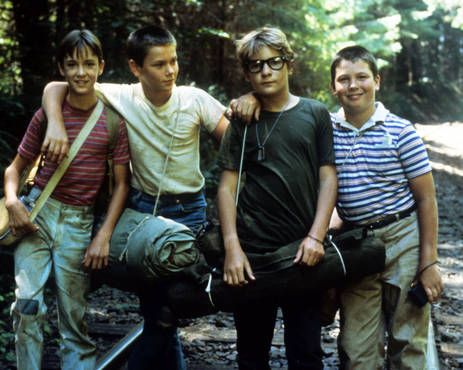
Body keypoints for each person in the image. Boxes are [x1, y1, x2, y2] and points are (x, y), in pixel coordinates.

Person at [41, 26, 228, 370]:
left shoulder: (194, 99)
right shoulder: (123, 97)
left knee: (171, 308)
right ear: (135, 67)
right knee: (157, 310)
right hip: (143, 213)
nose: (171, 71)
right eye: (159, 64)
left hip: (190, 213)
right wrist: (54, 122)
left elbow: (236, 143)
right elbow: (56, 87)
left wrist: (245, 106)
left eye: (173, 61)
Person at [5, 29, 130, 370]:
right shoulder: (48, 114)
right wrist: (13, 200)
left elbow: (122, 184)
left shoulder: (114, 121)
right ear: (61, 68)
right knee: (27, 306)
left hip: (78, 222)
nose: (81, 72)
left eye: (89, 64)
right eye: (72, 64)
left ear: (101, 67)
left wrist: (103, 234)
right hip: (38, 216)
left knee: (74, 318)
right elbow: (14, 169)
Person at [217, 27, 337, 370]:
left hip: (304, 255)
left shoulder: (314, 114)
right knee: (252, 354)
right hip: (253, 255)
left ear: (289, 65)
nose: (265, 71)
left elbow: (328, 177)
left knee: (307, 352)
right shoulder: (242, 120)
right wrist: (232, 248)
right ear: (246, 73)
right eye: (255, 65)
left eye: (274, 62)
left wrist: (317, 236)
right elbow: (226, 188)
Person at [328, 45, 443, 369]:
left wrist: (428, 262)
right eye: (344, 79)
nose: (353, 86)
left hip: (403, 238)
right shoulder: (327, 131)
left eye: (362, 77)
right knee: (355, 348)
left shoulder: (401, 132)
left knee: (408, 341)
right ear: (333, 86)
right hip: (357, 245)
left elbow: (426, 198)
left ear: (376, 80)